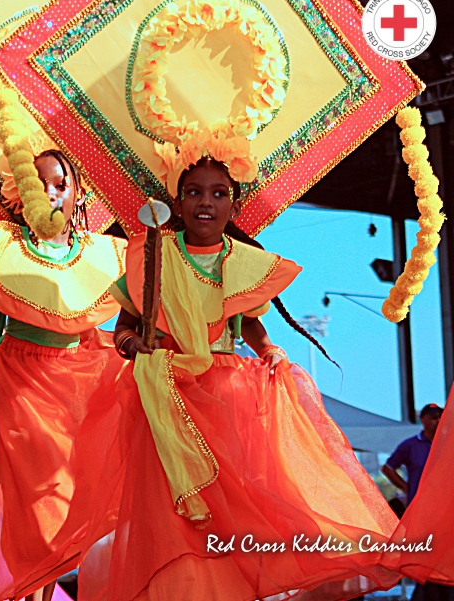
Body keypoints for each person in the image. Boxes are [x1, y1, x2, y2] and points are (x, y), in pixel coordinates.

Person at [99, 132, 401, 601]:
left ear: (234, 209)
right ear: (176, 205)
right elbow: (122, 327)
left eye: (219, 194)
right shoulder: (153, 256)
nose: (206, 203)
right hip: (165, 396)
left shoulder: (241, 265)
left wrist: (270, 352)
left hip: (225, 394)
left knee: (234, 501)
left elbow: (251, 325)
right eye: (194, 192)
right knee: (170, 507)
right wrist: (134, 343)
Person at [0, 150, 128, 601]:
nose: (49, 193)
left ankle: (43, 594)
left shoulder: (105, 255)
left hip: (80, 391)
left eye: (60, 184)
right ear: (19, 198)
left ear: (78, 194)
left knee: (66, 504)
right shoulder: (2, 248)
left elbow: (119, 324)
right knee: (30, 510)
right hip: (20, 390)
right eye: (36, 185)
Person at [383, 404, 452, 601]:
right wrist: (407, 488)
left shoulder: (447, 444)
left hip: (445, 511)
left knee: (442, 552)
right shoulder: (410, 445)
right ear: (422, 420)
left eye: (439, 417)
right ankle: (427, 591)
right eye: (432, 417)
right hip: (420, 511)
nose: (437, 421)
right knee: (424, 553)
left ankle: (442, 588)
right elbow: (388, 467)